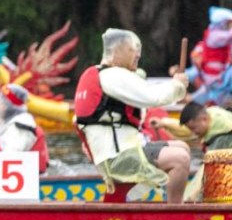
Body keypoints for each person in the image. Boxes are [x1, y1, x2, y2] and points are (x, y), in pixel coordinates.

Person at [74, 28, 190, 203]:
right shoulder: (112, 75)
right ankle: (176, 214)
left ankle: (119, 201)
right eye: (132, 49)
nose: (138, 53)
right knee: (180, 159)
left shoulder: (102, 75)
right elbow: (151, 97)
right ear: (116, 52)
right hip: (117, 157)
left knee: (183, 147)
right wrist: (177, 86)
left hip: (119, 152)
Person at [191, 6, 232, 107]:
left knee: (219, 98)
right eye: (230, 22)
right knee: (214, 99)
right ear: (223, 23)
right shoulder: (215, 36)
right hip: (213, 76)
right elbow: (231, 35)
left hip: (223, 75)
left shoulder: (225, 41)